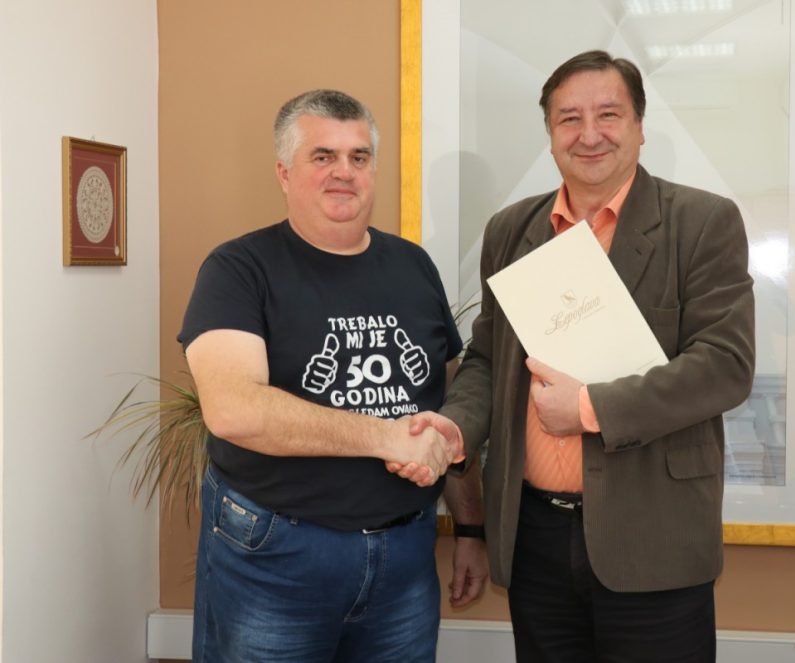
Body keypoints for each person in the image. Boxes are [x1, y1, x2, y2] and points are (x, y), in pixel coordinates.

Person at [411, 50, 756, 662]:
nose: (589, 134)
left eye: (608, 114)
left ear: (640, 126)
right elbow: (488, 358)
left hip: (653, 537)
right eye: (569, 118)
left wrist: (590, 407)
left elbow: (724, 365)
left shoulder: (702, 222)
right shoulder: (511, 231)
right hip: (534, 539)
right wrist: (456, 426)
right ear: (550, 134)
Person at [178, 89, 488, 663]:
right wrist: (386, 436)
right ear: (284, 172)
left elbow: (445, 407)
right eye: (323, 156)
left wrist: (471, 528)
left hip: (405, 558)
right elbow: (233, 408)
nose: (344, 172)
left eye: (358, 157)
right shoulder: (238, 269)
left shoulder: (414, 265)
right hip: (276, 558)